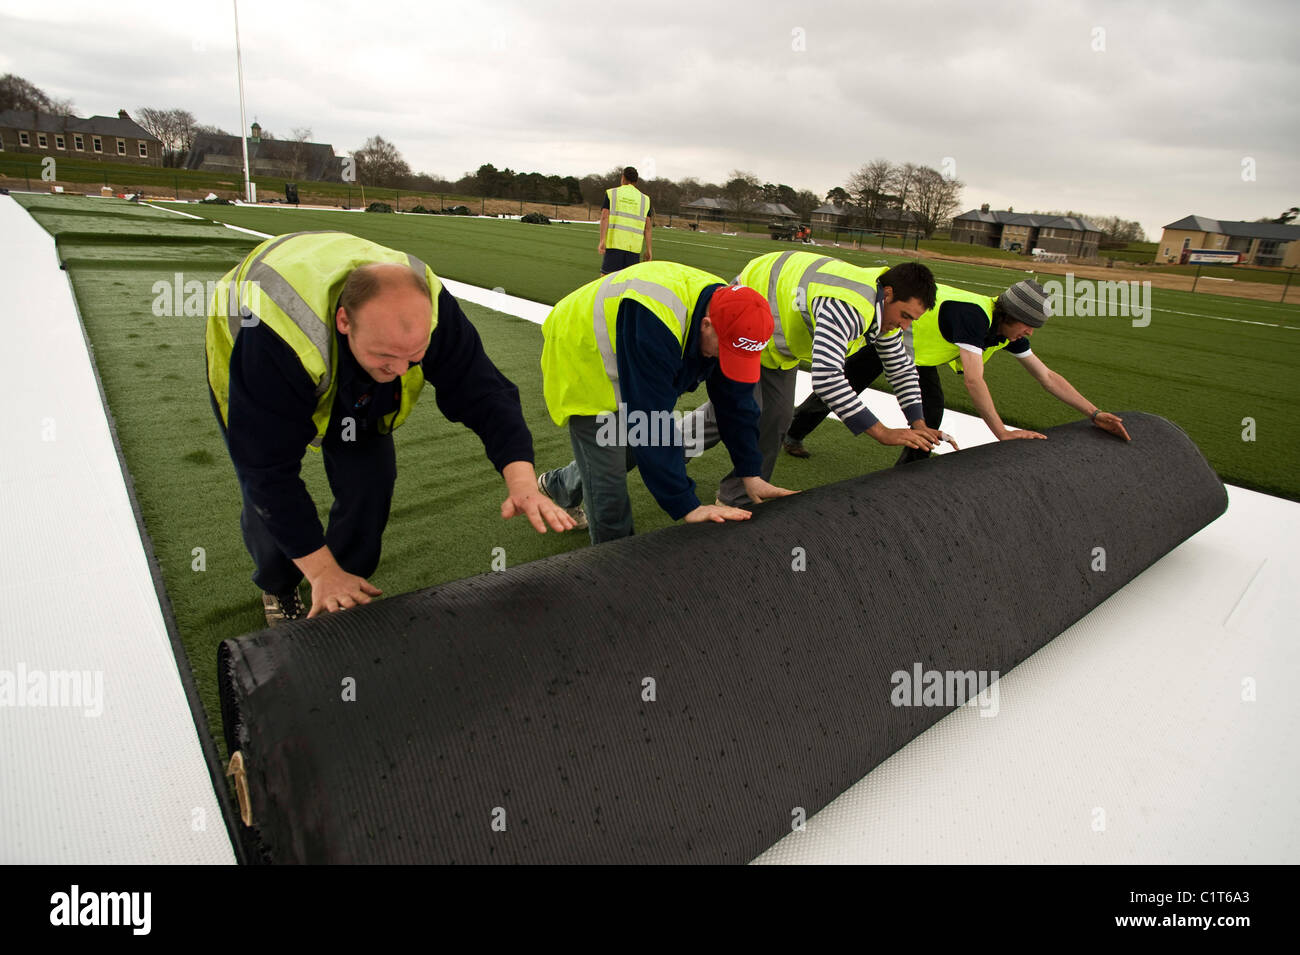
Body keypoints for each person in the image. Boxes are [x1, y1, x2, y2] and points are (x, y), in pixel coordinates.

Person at [205, 231, 574, 627]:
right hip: (256, 347)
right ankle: (280, 584)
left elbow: (484, 393)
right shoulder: (276, 334)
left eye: (414, 357)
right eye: (385, 357)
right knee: (264, 492)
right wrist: (319, 570)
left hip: (344, 349)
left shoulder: (432, 310)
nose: (399, 372)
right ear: (344, 321)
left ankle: (344, 584)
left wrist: (520, 481)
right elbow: (267, 470)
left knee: (370, 481)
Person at [536, 261, 795, 544]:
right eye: (724, 351)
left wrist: (750, 472)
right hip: (582, 351)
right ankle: (613, 568)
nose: (724, 360)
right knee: (608, 484)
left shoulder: (729, 314)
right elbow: (649, 423)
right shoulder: (656, 320)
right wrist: (687, 505)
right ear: (706, 325)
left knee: (631, 449)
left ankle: (560, 485)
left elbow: (736, 403)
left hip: (633, 341)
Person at [682, 251, 949, 506]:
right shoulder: (850, 305)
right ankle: (657, 451)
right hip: (748, 326)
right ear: (888, 295)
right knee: (732, 415)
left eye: (911, 320)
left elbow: (900, 367)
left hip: (776, 343)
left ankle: (738, 498)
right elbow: (827, 379)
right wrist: (881, 432)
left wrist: (918, 422)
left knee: (777, 417)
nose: (904, 326)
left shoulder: (884, 310)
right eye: (904, 316)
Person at [782, 279, 1132, 458]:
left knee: (929, 414)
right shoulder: (974, 316)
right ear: (1011, 315)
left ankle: (910, 470)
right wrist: (1002, 432)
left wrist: (1094, 412)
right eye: (1027, 325)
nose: (1028, 334)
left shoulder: (1007, 332)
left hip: (918, 357)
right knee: (839, 389)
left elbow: (1047, 377)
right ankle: (793, 433)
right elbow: (974, 381)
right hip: (890, 336)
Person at [597, 166, 652, 275]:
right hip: (634, 249)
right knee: (628, 284)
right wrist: (649, 249)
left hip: (615, 245)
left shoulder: (612, 193)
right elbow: (648, 228)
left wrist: (602, 240)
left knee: (606, 280)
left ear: (623, 177)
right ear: (636, 181)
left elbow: (604, 217)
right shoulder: (645, 199)